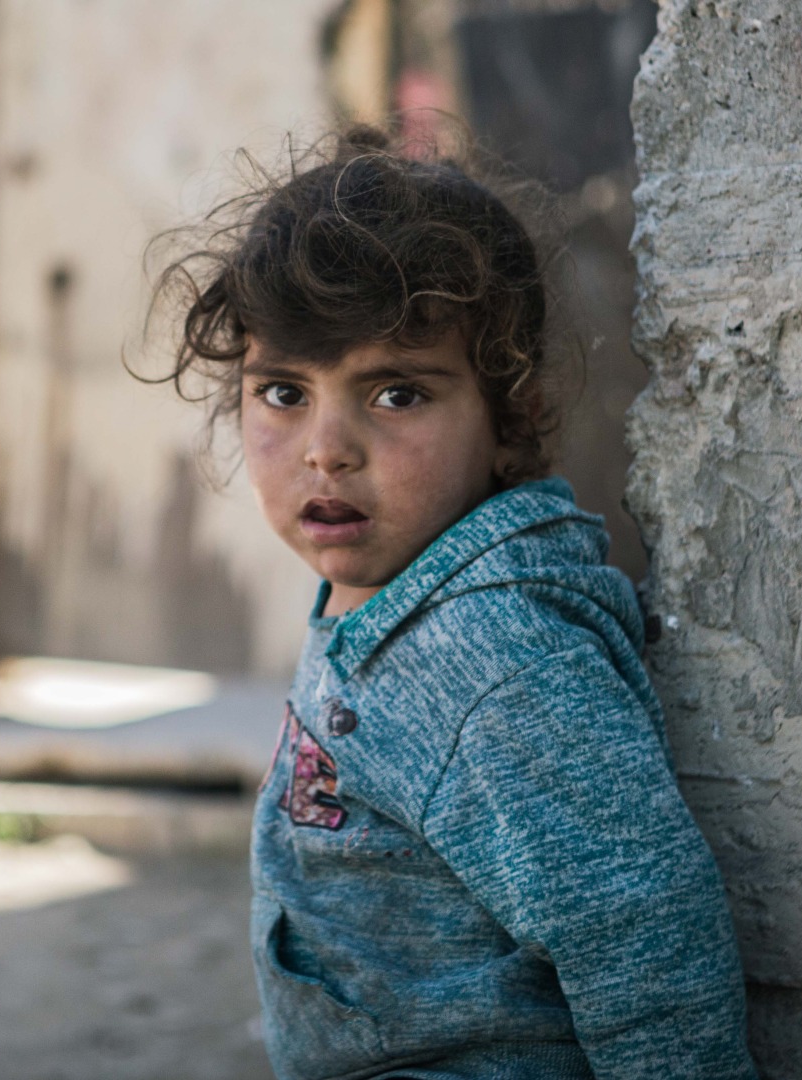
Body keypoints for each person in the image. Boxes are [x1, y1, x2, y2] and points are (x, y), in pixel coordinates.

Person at [146, 127, 757, 1079]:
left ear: (507, 417)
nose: (326, 448)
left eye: (395, 394)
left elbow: (647, 950)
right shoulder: (384, 595)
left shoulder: (496, 660)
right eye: (281, 392)